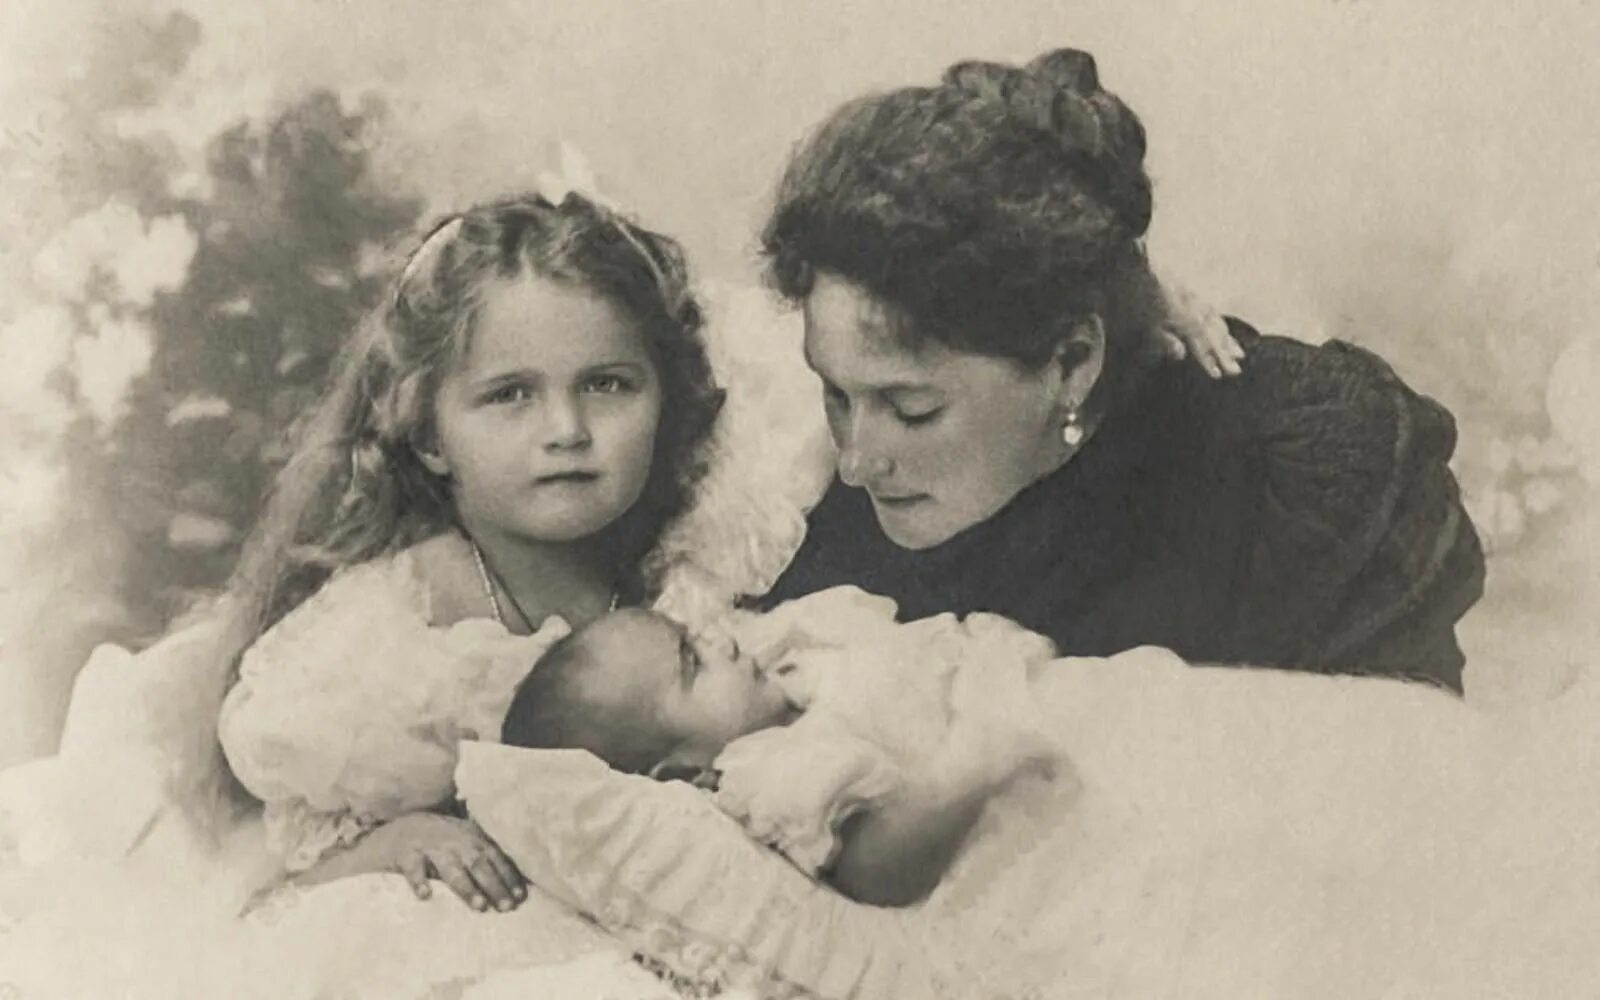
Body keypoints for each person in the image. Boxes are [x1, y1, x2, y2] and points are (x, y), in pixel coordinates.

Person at [756, 47, 1485, 691]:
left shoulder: (1286, 490)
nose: (856, 462)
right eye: (836, 396)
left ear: (1072, 363)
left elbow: (1409, 788)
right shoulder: (818, 511)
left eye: (911, 411)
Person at [215, 189, 724, 914]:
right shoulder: (395, 629)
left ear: (665, 402)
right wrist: (393, 843)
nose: (567, 429)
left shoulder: (689, 577)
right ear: (429, 436)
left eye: (607, 385)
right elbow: (285, 884)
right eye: (511, 395)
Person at [500, 587, 1061, 906]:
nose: (719, 640)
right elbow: (873, 869)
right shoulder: (767, 773)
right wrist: (977, 762)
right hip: (1017, 783)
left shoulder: (776, 672)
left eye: (692, 633)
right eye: (692, 661)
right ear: (684, 774)